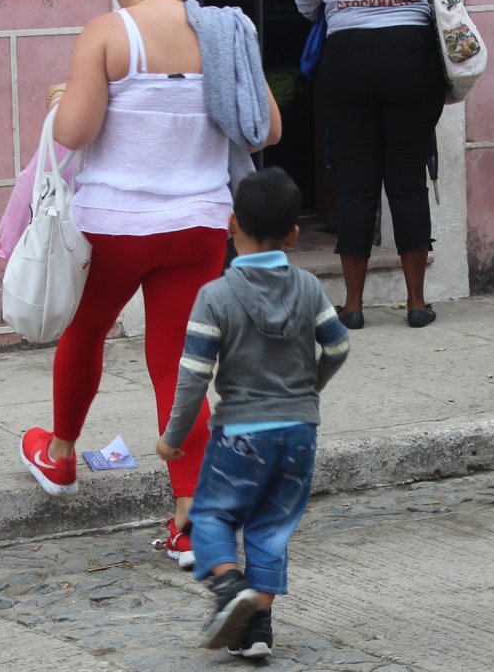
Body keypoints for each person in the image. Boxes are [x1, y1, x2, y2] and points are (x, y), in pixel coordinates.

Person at [18, 0, 282, 571]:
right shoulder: (225, 32)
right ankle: (192, 523)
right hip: (198, 224)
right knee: (176, 365)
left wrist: (67, 102)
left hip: (115, 225)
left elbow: (75, 133)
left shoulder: (109, 34)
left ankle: (59, 455)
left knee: (85, 332)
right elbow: (268, 129)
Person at [156, 167, 350, 657]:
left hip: (242, 430)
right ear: (293, 233)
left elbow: (194, 375)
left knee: (212, 512)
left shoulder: (215, 296)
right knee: (270, 525)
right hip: (299, 431)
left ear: (230, 223)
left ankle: (228, 588)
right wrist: (311, 387)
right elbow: (339, 345)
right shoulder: (307, 286)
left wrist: (173, 436)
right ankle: (257, 631)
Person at [293, 0, 445, 329]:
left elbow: (305, 1)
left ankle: (353, 306)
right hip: (412, 48)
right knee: (408, 179)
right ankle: (417, 303)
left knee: (355, 185)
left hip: (348, 51)